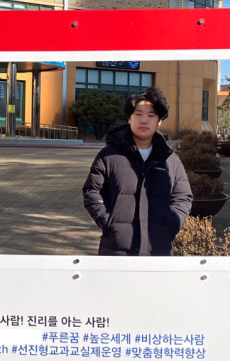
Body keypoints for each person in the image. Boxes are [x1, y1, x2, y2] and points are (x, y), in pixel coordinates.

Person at [82, 87, 192, 256]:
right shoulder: (108, 155)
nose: (144, 120)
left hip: (158, 249)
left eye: (151, 116)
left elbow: (183, 197)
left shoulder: (170, 159)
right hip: (116, 250)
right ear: (129, 118)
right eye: (138, 114)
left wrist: (170, 226)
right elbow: (92, 191)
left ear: (159, 121)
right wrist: (109, 223)